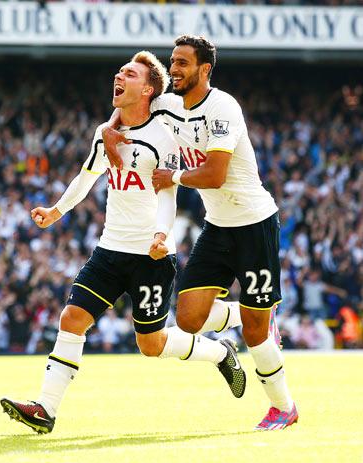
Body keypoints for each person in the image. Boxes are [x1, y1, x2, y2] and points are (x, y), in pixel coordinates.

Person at [0, 51, 245, 435]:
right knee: (72, 318)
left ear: (148, 89)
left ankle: (219, 351)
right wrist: (56, 210)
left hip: (151, 254)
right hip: (110, 250)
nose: (118, 76)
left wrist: (162, 235)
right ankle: (45, 409)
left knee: (151, 344)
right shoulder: (105, 133)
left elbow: (167, 192)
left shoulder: (164, 138)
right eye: (119, 71)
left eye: (129, 74)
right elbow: (86, 176)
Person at [103, 35, 297, 430]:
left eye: (183, 63)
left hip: (254, 224)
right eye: (172, 62)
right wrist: (108, 129)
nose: (174, 69)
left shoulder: (224, 108)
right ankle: (245, 320)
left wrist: (170, 175)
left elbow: (215, 174)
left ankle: (284, 408)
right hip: (218, 226)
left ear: (204, 69)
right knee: (189, 318)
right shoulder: (169, 104)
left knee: (259, 333)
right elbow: (128, 105)